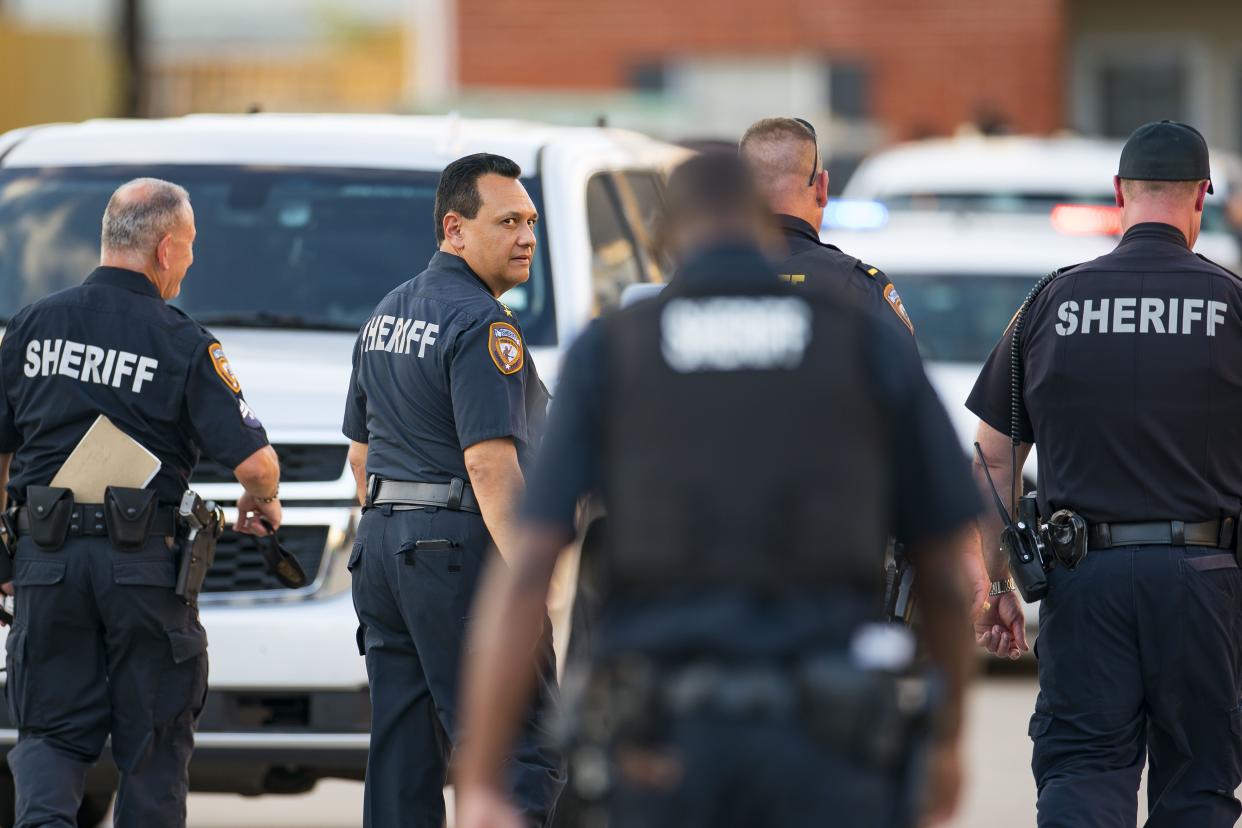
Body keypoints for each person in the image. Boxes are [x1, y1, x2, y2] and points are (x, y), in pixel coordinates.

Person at [454, 153, 980, 828]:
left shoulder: (615, 349)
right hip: (828, 745)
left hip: (665, 747)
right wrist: (946, 743)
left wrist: (479, 781)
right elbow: (941, 566)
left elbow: (528, 567)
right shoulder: (863, 338)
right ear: (765, 227)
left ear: (662, 237)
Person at [967, 120, 1242, 827]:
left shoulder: (1050, 303)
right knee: (1199, 786)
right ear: (1201, 197)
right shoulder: (1233, 304)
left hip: (1084, 582)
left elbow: (993, 456)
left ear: (1120, 193)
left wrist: (995, 582)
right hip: (1208, 585)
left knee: (1084, 774)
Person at [0, 178, 281, 827]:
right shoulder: (182, 341)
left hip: (46, 561)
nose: (189, 261)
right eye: (188, 247)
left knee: (49, 735)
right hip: (141, 568)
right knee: (152, 745)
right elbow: (256, 462)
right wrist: (261, 502)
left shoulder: (35, 323)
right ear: (164, 249)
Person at [341, 153, 564, 828]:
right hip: (455, 553)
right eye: (507, 222)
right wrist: (534, 579)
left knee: (404, 756)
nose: (526, 236)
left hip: (381, 549)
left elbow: (359, 455)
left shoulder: (388, 310)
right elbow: (492, 468)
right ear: (455, 228)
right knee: (511, 747)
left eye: (530, 221)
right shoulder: (483, 324)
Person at [738, 117, 917, 344]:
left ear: (739, 191)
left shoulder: (694, 283)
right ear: (822, 187)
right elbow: (905, 376)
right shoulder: (860, 288)